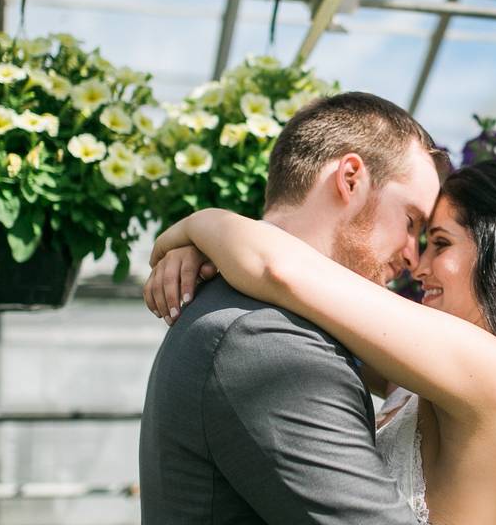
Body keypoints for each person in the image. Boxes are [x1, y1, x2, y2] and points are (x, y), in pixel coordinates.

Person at [146, 158, 496, 525]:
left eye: (440, 243)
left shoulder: (490, 371)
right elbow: (315, 320)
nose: (418, 267)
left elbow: (280, 270)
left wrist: (197, 224)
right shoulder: (440, 379)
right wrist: (205, 255)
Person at [138, 91, 450, 524]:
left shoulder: (255, 311)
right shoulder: (266, 341)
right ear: (351, 177)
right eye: (411, 222)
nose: (413, 258)